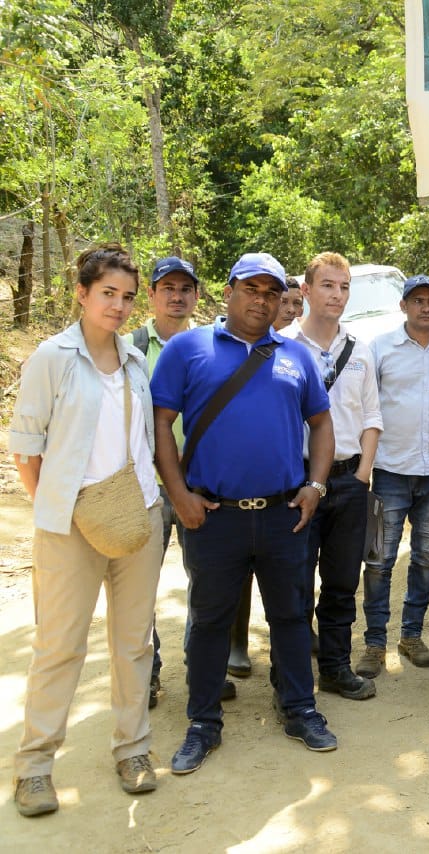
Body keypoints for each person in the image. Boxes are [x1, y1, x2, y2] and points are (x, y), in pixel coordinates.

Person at [152, 251, 339, 774]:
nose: (262, 300)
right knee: (210, 620)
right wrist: (179, 494)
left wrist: (316, 485)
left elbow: (322, 424)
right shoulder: (188, 349)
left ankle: (300, 708)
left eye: (271, 292)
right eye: (252, 289)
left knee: (290, 615)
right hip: (213, 516)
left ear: (283, 298)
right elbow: (160, 424)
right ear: (229, 290)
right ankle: (203, 722)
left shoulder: (296, 356)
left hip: (283, 514)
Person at [11, 244, 166, 816]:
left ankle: (132, 751)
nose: (119, 306)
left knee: (134, 645)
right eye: (108, 294)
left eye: (127, 297)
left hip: (138, 515)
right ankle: (34, 767)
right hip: (70, 525)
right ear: (81, 292)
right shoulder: (52, 357)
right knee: (59, 647)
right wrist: (60, 509)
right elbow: (27, 448)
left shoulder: (133, 360)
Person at [358, 275, 429, 678]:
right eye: (417, 300)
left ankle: (410, 635)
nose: (425, 307)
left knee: (425, 558)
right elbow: (366, 408)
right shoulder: (380, 349)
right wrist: (366, 462)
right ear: (403, 306)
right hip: (388, 470)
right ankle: (374, 643)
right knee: (378, 559)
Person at [281, 252, 383, 701]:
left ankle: (337, 667)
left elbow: (372, 416)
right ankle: (291, 675)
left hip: (348, 481)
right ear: (305, 291)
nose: (336, 295)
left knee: (342, 581)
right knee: (295, 583)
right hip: (297, 481)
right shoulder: (281, 346)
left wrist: (362, 474)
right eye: (327, 285)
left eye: (343, 287)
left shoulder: (359, 350)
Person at [131, 256, 218, 705]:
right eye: (168, 288)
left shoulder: (209, 347)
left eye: (186, 288)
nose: (177, 296)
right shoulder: (129, 348)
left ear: (197, 296)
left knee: (205, 582)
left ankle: (200, 669)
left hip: (198, 484)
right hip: (144, 485)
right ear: (151, 294)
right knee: (139, 585)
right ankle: (146, 674)